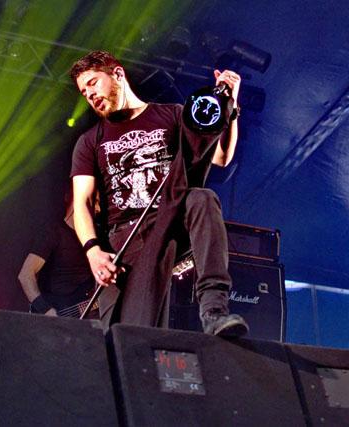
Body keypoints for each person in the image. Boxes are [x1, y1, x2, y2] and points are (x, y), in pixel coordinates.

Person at [69, 50, 248, 336]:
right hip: (125, 240)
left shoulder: (172, 114)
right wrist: (93, 251)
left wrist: (230, 106)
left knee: (202, 198)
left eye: (93, 83)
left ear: (117, 74)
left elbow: (222, 157)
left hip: (171, 216)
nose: (90, 94)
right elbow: (82, 202)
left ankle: (214, 311)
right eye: (84, 92)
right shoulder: (90, 141)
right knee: (127, 335)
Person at [18, 189, 95, 317]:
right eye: (95, 201)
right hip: (56, 311)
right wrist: (46, 310)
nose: (98, 208)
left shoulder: (96, 238)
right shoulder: (54, 231)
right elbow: (25, 275)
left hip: (86, 313)